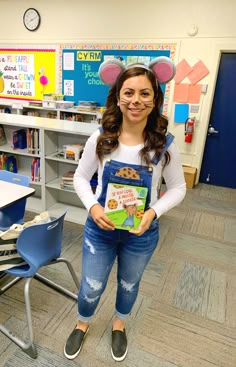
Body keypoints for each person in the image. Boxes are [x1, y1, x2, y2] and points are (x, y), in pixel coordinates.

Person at [64, 56, 186, 362]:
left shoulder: (163, 144)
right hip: (100, 229)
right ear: (118, 97)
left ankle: (119, 324)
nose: (136, 101)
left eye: (145, 93)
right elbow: (80, 177)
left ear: (155, 98)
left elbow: (178, 188)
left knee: (129, 284)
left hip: (140, 234)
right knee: (91, 286)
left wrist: (152, 213)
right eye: (128, 92)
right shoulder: (101, 138)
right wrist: (92, 206)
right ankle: (83, 323)